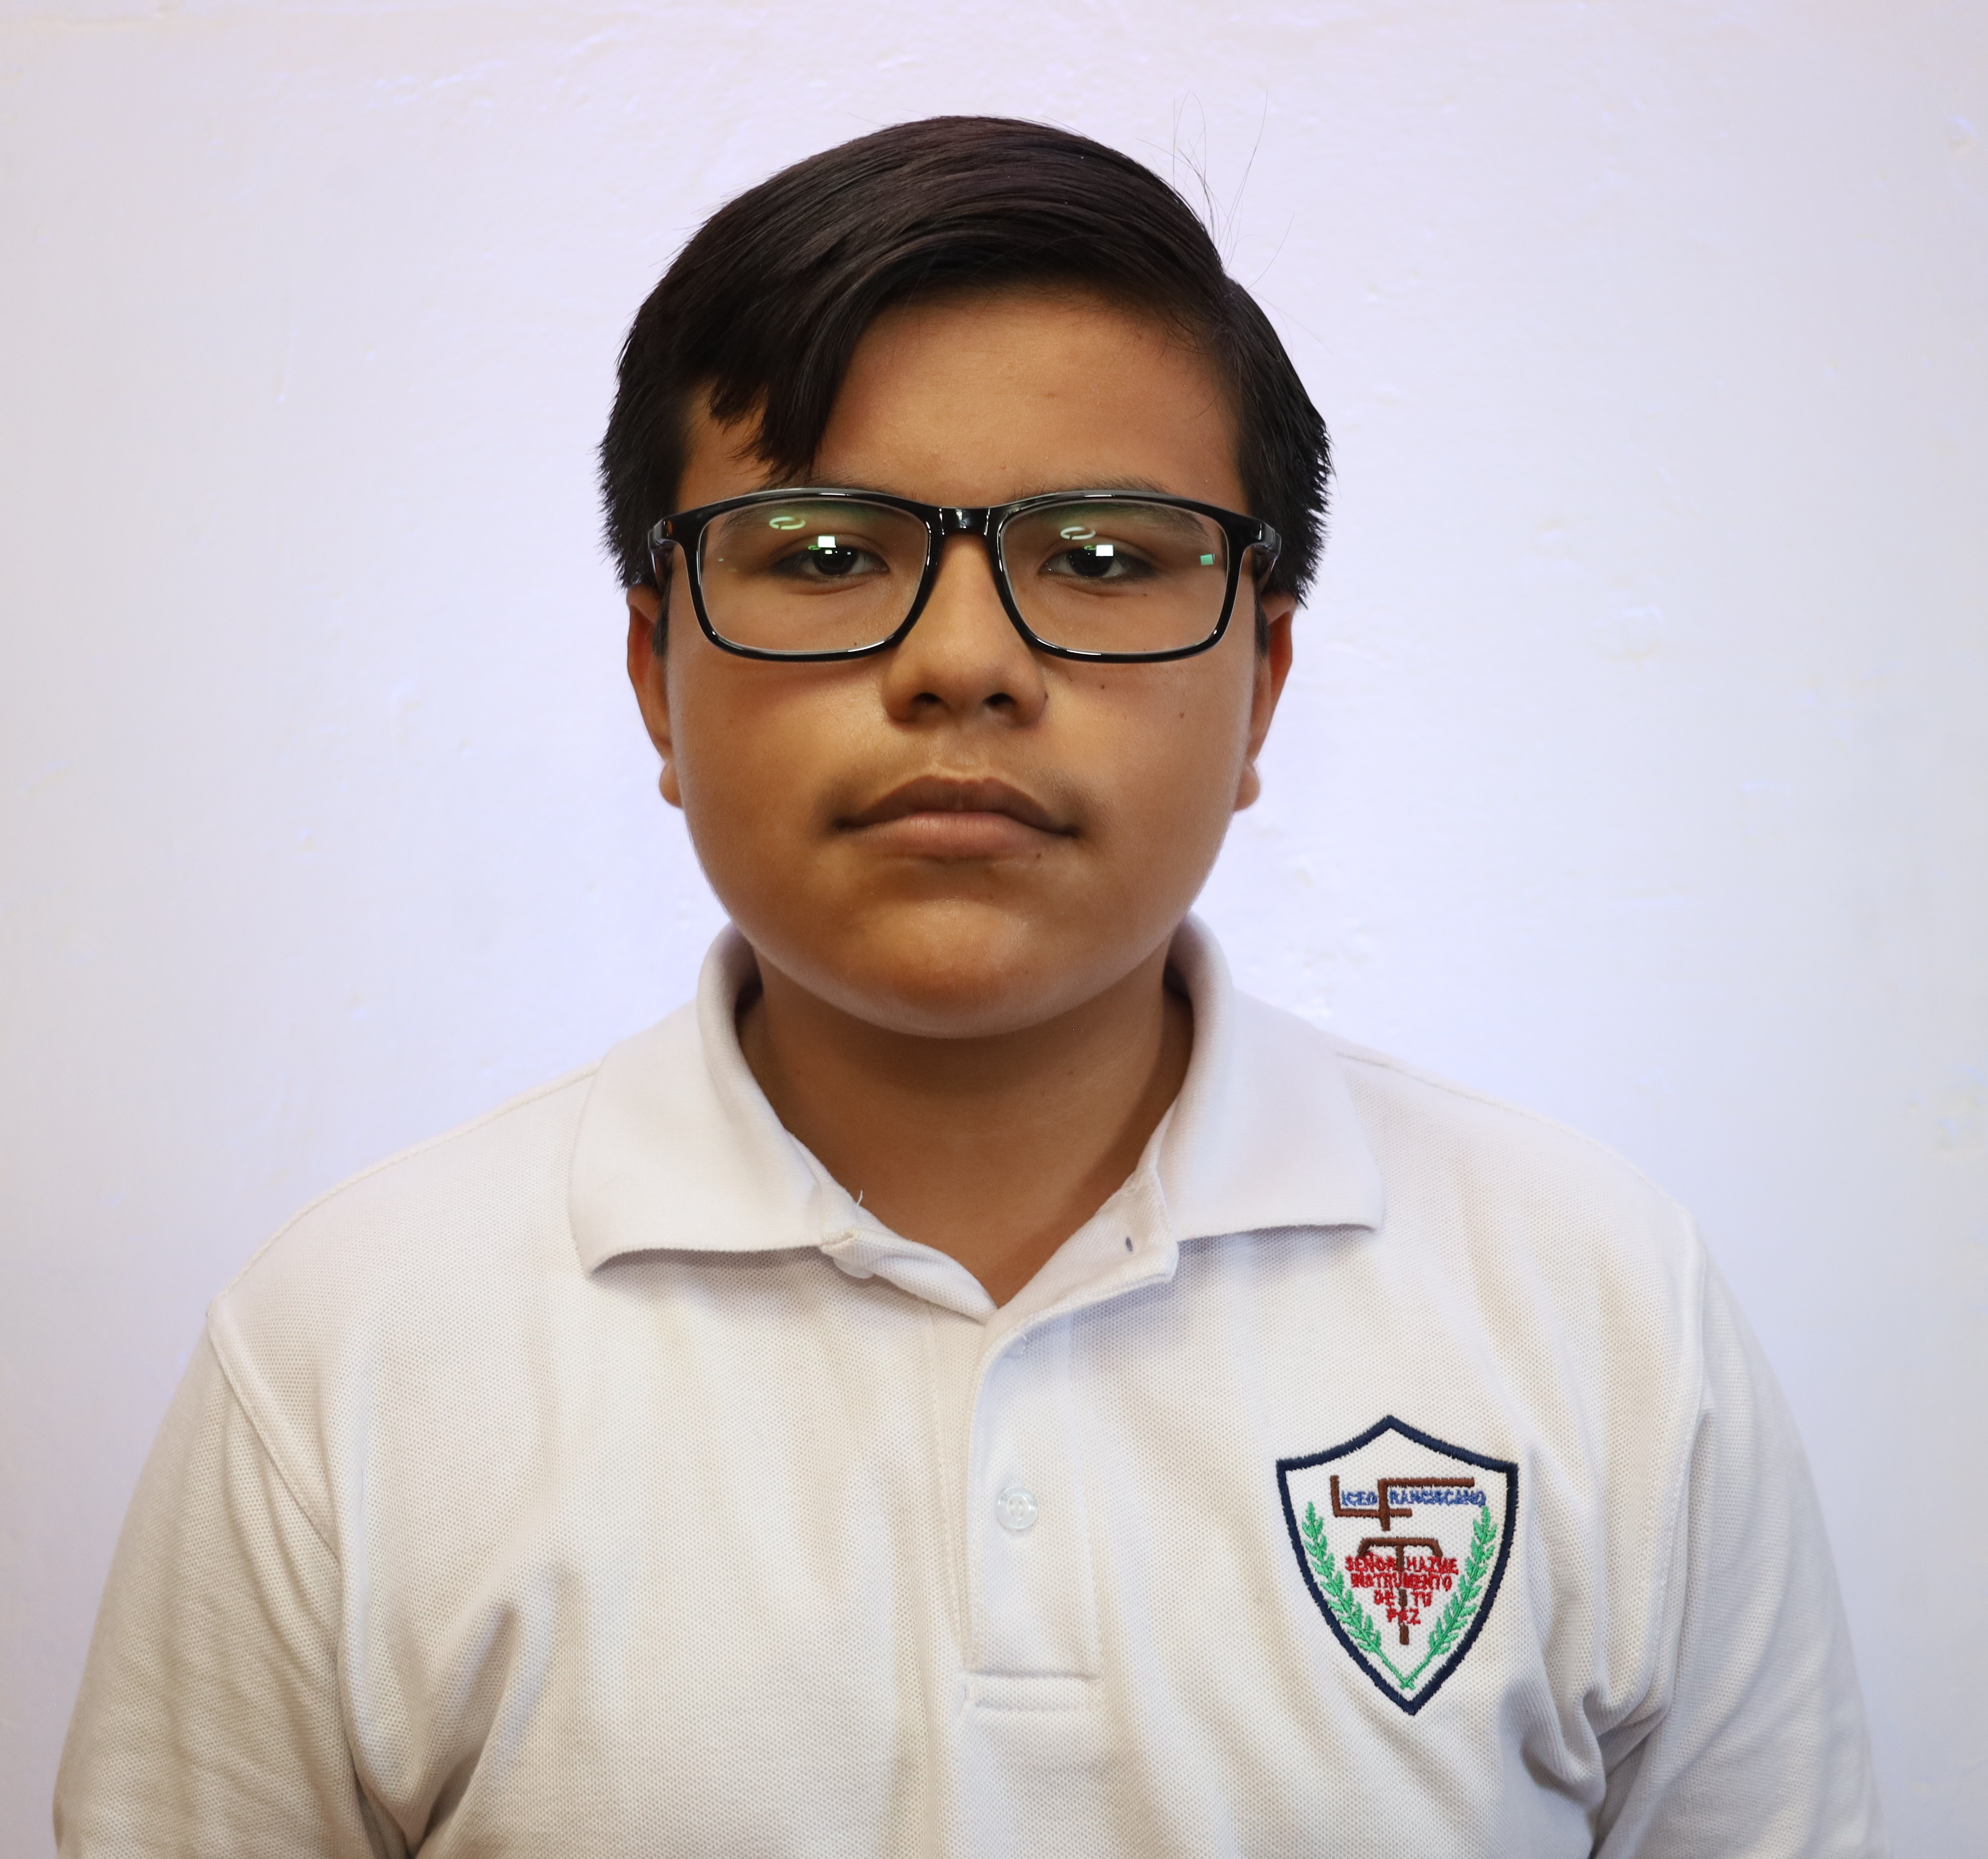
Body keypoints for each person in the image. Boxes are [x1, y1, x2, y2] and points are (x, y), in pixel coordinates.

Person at [55, 116, 1883, 1856]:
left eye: (1100, 560)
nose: (960, 662)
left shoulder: (1593, 1307)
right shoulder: (354, 1354)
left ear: (1259, 681)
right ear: (652, 673)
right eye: (824, 554)